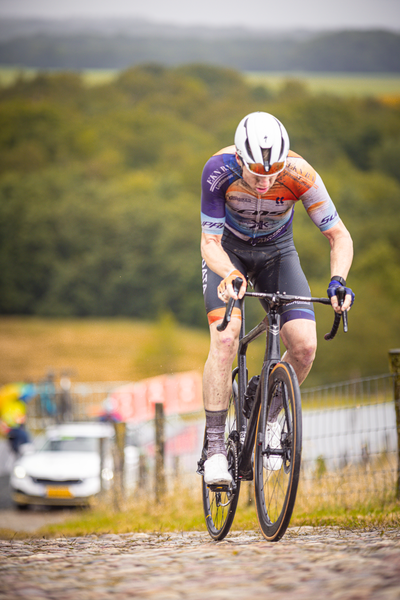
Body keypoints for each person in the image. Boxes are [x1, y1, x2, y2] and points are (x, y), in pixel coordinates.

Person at [200, 111, 354, 485]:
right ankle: (216, 449)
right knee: (225, 337)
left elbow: (340, 236)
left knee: (304, 347)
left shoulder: (300, 174)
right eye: (256, 174)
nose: (267, 182)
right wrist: (231, 274)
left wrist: (338, 281)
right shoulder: (218, 170)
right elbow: (210, 242)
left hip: (277, 253)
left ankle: (268, 417)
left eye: (274, 173)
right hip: (230, 253)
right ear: (239, 159)